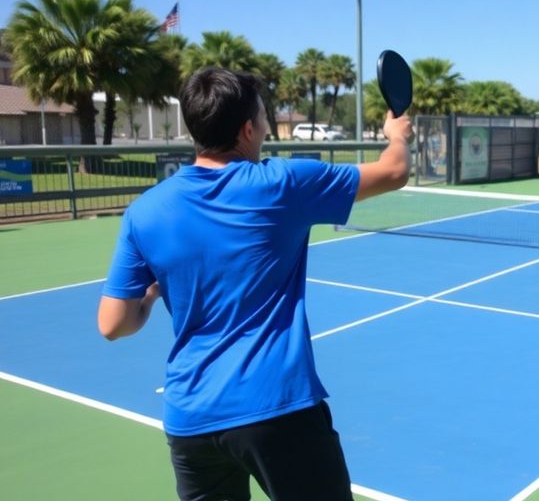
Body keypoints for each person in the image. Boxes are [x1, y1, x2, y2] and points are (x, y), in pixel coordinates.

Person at [97, 67, 414, 500]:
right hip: (276, 411)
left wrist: (150, 298)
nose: (266, 127)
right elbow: (394, 171)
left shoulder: (144, 210)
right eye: (264, 118)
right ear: (248, 130)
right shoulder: (282, 183)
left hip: (190, 420)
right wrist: (397, 134)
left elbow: (113, 324)